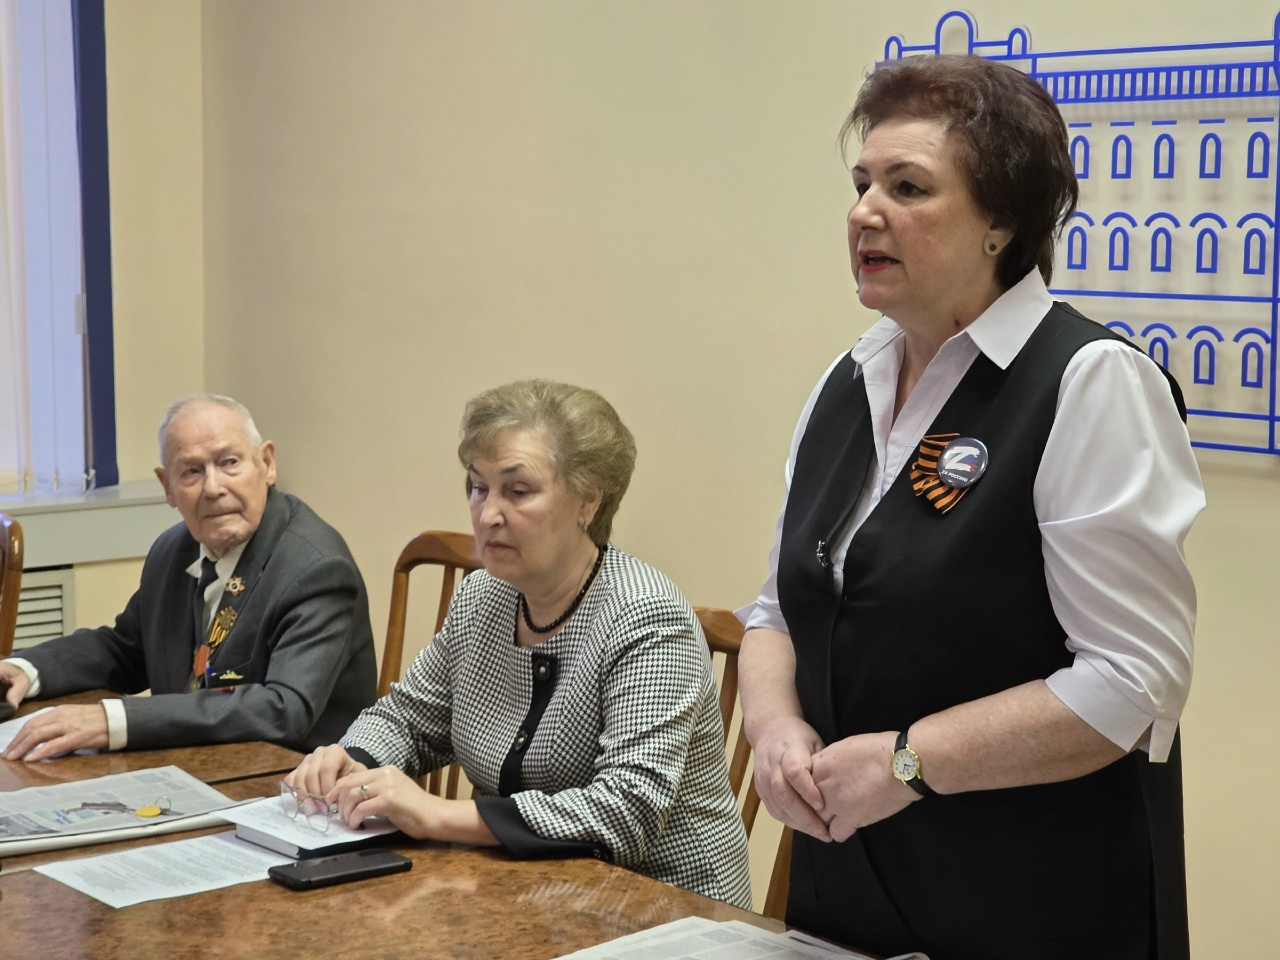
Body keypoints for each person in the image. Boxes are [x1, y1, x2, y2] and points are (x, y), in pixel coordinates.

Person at [738, 55, 1204, 960]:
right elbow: (778, 610)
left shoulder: (1090, 382)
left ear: (1001, 222)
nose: (865, 211)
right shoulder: (848, 380)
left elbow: (1133, 682)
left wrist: (907, 762)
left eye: (908, 187)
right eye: (862, 184)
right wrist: (774, 727)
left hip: (1031, 902)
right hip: (849, 889)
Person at [287, 379, 752, 909]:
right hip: (526, 895)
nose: (488, 514)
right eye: (477, 487)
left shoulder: (645, 616)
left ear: (588, 500)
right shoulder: (483, 596)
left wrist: (438, 814)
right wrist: (350, 762)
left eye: (518, 491)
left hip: (665, 909)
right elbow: (409, 719)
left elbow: (625, 812)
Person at [0, 394, 377, 759]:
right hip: (193, 765)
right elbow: (127, 650)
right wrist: (26, 669)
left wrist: (115, 721)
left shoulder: (317, 568)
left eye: (229, 463)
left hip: (295, 784)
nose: (213, 488)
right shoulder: (172, 550)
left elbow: (282, 709)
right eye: (192, 471)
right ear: (167, 486)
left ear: (267, 464)